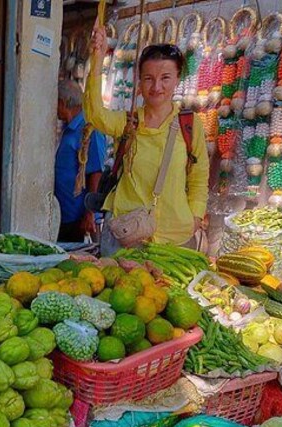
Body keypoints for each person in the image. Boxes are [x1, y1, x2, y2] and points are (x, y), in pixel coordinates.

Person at [87, 24, 210, 255]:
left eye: (165, 78)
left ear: (177, 79)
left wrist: (194, 216)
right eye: (148, 78)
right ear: (139, 82)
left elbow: (199, 177)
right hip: (126, 234)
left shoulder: (189, 124)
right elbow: (95, 114)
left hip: (173, 239)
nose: (156, 87)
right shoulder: (129, 122)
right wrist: (97, 60)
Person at [55, 79, 108, 242]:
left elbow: (96, 172)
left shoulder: (90, 128)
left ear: (62, 102)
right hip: (62, 213)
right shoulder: (68, 127)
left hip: (76, 215)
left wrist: (89, 213)